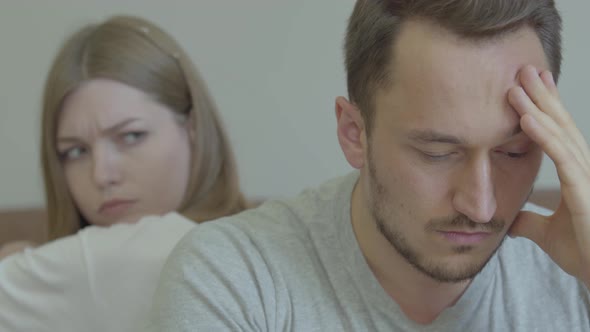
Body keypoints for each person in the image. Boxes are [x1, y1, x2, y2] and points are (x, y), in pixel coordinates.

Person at [148, 0, 590, 331]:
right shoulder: (235, 280)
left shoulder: (575, 275)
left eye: (513, 153)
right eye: (438, 153)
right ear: (354, 133)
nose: (481, 204)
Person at [0, 15, 246, 332]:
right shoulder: (242, 243)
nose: (102, 175)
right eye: (75, 151)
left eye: (131, 136)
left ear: (193, 128)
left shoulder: (142, 249)